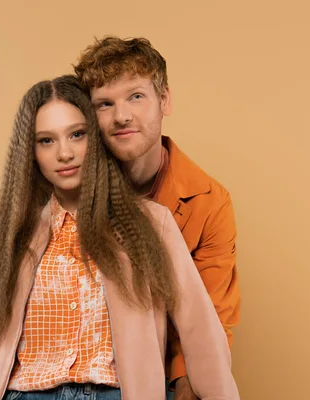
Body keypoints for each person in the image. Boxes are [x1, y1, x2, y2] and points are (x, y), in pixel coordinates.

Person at [0, 75, 239, 400]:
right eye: (46, 140)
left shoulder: (152, 224)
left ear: (97, 138)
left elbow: (202, 337)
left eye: (77, 135)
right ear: (30, 152)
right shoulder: (16, 236)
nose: (64, 153)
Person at [73, 36, 241, 400]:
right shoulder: (68, 187)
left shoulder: (210, 202)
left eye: (136, 96)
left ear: (164, 100)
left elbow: (211, 318)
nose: (121, 116)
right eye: (104, 104)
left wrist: (185, 387)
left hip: (157, 375)